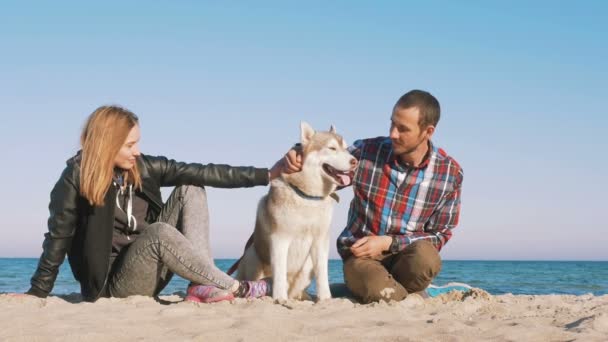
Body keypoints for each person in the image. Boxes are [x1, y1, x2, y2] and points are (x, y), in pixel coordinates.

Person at [26, 105, 281, 303]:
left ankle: (202, 284)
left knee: (191, 186)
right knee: (158, 233)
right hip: (112, 286)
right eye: (129, 145)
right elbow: (58, 236)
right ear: (108, 144)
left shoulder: (144, 167)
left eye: (137, 143)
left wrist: (267, 175)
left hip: (151, 268)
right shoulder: (76, 177)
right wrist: (38, 291)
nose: (137, 151)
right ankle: (239, 288)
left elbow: (205, 171)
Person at [284, 90, 463, 303]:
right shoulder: (366, 151)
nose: (393, 134)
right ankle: (403, 294)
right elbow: (328, 163)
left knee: (427, 257)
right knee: (381, 291)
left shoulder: (449, 174)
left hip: (406, 257)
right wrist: (298, 151)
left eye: (403, 129)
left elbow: (440, 234)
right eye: (392, 124)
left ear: (428, 131)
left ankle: (385, 290)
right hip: (360, 256)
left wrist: (389, 242)